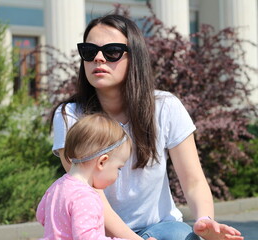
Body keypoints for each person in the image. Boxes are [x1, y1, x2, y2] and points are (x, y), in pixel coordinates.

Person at [50, 14, 244, 240]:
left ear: (135, 58)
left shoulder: (165, 107)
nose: (99, 59)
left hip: (162, 228)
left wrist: (205, 221)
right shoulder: (71, 116)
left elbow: (193, 181)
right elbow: (88, 191)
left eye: (111, 51)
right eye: (89, 51)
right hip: (96, 233)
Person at [36, 113, 156, 240]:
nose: (117, 175)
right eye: (118, 168)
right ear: (102, 162)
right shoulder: (85, 196)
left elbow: (41, 215)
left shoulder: (56, 187)